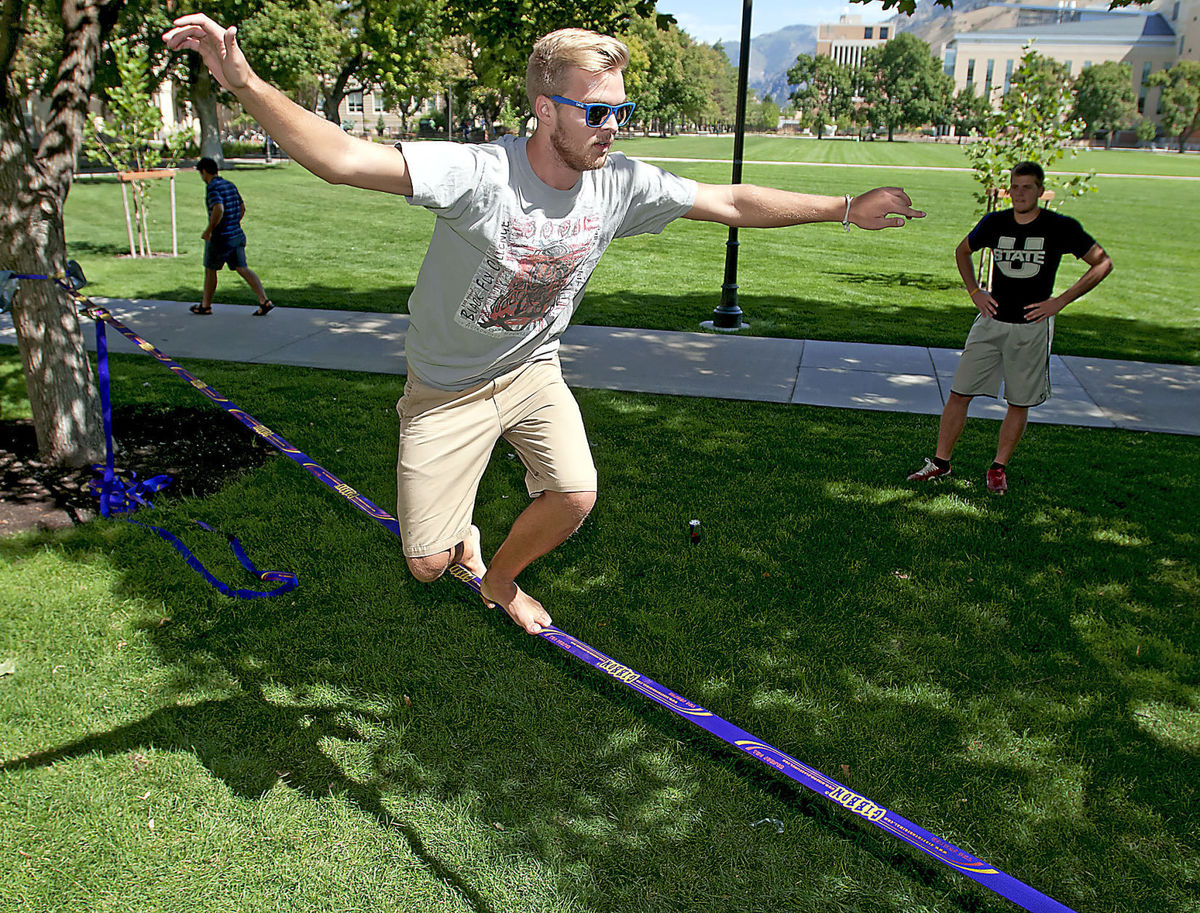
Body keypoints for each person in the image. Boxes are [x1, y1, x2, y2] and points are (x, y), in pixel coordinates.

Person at [164, 15, 925, 635]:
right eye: (597, 112)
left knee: (575, 494)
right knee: (427, 563)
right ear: (546, 110)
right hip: (446, 391)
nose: (612, 128)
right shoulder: (481, 176)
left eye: (620, 111)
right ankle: (456, 548)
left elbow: (728, 202)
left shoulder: (619, 182)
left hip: (533, 373)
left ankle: (499, 581)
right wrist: (245, 81)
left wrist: (846, 209)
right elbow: (341, 158)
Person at [907, 162, 1112, 494]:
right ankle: (940, 463)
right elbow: (962, 251)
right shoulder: (995, 222)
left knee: (1018, 401)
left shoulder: (1059, 227)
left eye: (1027, 187)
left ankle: (998, 468)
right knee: (959, 392)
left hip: (1031, 327)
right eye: (1015, 187)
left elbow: (1102, 262)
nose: (1020, 193)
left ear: (1040, 192)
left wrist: (1060, 301)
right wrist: (975, 292)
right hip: (990, 323)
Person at [192, 157, 274, 316]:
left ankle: (205, 306)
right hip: (236, 234)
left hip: (220, 237)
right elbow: (242, 208)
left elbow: (218, 208)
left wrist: (209, 229)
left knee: (210, 269)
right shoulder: (229, 184)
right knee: (242, 268)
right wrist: (234, 223)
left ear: (204, 172)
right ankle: (264, 300)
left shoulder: (212, 187)